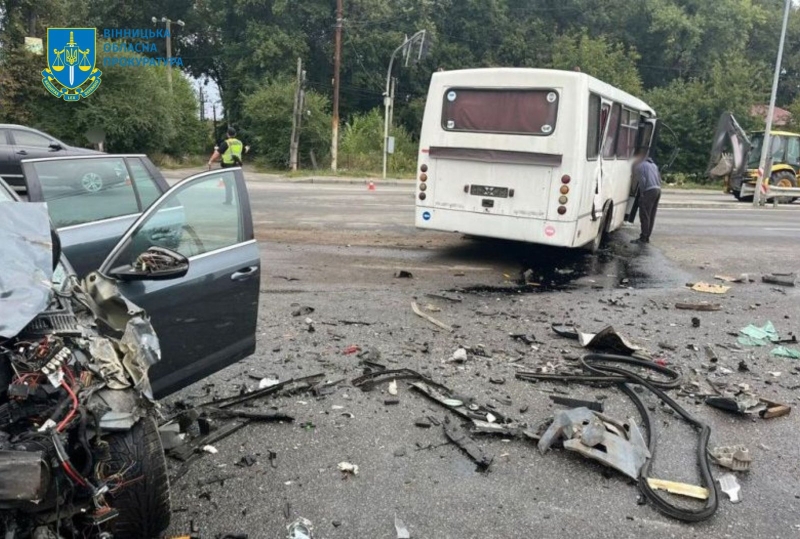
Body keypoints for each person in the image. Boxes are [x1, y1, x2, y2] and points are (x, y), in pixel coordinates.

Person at [208, 127, 248, 204]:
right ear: (235, 134)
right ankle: (241, 202)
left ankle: (228, 200)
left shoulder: (226, 143)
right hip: (237, 166)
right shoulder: (240, 143)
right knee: (237, 185)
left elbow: (217, 153)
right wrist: (247, 148)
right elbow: (244, 151)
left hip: (227, 166)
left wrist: (211, 161)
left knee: (228, 185)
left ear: (227, 134)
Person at [631, 149, 661, 244]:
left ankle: (643, 237)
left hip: (649, 190)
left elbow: (642, 180)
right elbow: (659, 178)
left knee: (644, 214)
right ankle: (647, 236)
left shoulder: (640, 166)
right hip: (658, 190)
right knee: (651, 214)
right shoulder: (653, 165)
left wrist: (642, 193)